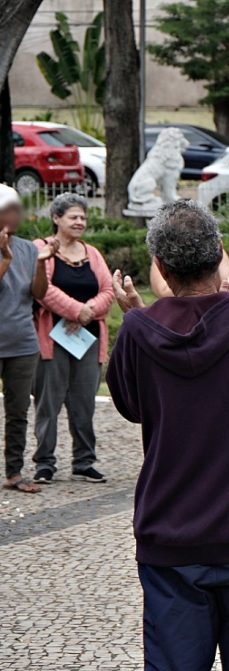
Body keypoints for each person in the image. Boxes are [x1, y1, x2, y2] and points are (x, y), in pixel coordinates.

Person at [106, 200, 229, 671]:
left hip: (171, 533)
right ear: (220, 254)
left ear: (161, 267)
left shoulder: (137, 330)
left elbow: (130, 406)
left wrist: (139, 321)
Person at [30, 193, 114, 485]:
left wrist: (89, 313)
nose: (80, 222)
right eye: (73, 217)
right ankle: (44, 463)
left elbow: (108, 291)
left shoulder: (92, 253)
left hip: (88, 339)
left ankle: (84, 461)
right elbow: (42, 290)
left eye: (83, 217)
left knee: (84, 403)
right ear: (56, 218)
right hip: (52, 339)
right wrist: (77, 310)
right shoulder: (40, 249)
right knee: (47, 403)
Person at [0, 184, 52, 494]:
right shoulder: (10, 251)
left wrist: (42, 263)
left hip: (21, 342)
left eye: (18, 208)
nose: (17, 214)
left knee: (18, 411)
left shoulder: (28, 248)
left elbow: (38, 295)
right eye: (10, 208)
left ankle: (14, 472)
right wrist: (5, 259)